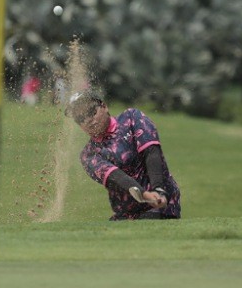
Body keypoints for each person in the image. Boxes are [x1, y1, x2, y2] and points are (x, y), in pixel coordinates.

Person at [65, 89, 181, 220]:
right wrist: (144, 195)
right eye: (80, 119)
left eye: (91, 112)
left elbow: (151, 152)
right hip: (127, 214)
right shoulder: (89, 154)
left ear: (104, 106)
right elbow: (117, 178)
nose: (88, 120)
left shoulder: (131, 118)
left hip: (161, 205)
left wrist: (158, 190)